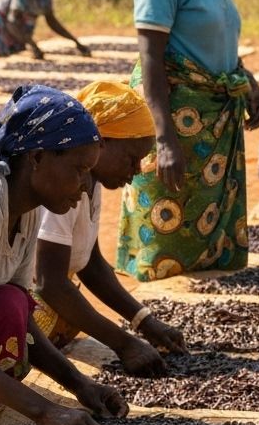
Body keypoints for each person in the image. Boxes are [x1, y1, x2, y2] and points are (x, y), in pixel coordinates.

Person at [0, 85, 127, 425]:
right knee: (5, 307)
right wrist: (43, 411)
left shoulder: (28, 209)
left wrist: (80, 384)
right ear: (37, 158)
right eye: (79, 170)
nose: (86, 187)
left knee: (14, 305)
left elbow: (21, 321)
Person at [117, 0, 259, 283]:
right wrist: (163, 139)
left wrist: (248, 81)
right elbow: (151, 56)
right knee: (168, 211)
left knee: (203, 221)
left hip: (215, 111)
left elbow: (219, 39)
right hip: (178, 110)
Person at [34, 82, 187, 376]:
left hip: (43, 299)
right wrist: (124, 344)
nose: (137, 170)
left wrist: (144, 320)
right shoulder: (62, 186)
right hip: (22, 300)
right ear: (101, 143)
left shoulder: (90, 181)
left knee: (67, 318)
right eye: (132, 158)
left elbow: (89, 263)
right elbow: (49, 283)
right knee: (37, 319)